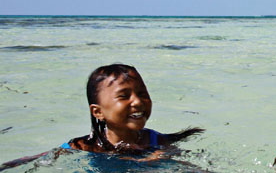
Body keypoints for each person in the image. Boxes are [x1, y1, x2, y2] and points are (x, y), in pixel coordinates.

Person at [62, 64, 203, 153]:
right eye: (123, 96)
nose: (138, 102)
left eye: (142, 94)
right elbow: (45, 159)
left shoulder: (157, 143)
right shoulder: (82, 146)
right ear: (98, 112)